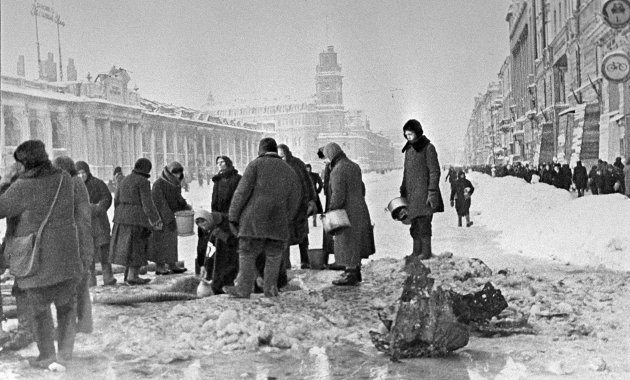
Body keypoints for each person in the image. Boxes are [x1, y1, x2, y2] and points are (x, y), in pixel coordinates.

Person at [0, 140, 86, 368]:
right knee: (67, 308)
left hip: (36, 260)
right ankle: (65, 356)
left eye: (17, 162)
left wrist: (7, 180)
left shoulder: (22, 187)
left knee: (40, 311)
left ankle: (47, 356)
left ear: (25, 163)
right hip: (66, 255)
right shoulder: (64, 179)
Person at [225, 138, 300, 298]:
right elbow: (295, 198)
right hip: (278, 222)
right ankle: (270, 288)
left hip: (252, 222)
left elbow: (241, 193)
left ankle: (243, 289)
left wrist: (233, 216)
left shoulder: (255, 165)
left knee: (247, 253)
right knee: (273, 256)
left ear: (261, 150)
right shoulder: (289, 170)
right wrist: (287, 217)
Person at [53, 157, 95, 335]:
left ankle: (70, 326)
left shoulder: (71, 185)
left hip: (76, 241)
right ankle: (84, 323)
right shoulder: (77, 183)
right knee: (80, 285)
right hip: (82, 239)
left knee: (71, 286)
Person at [323, 142, 374, 286]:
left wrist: (331, 210)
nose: (326, 160)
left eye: (327, 156)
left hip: (346, 211)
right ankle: (355, 271)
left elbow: (338, 195)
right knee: (355, 240)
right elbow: (362, 188)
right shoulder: (354, 166)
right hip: (359, 208)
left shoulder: (337, 170)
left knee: (347, 241)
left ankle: (350, 273)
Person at [110, 158, 163, 285]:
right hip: (136, 219)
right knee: (136, 247)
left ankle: (127, 275)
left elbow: (116, 199)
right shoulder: (143, 182)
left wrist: (118, 215)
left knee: (127, 248)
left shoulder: (124, 180)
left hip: (121, 218)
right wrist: (156, 220)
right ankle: (133, 277)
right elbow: (147, 204)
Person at [0, 162, 34, 351]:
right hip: (26, 243)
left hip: (25, 244)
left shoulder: (20, 190)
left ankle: (26, 331)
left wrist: (5, 183)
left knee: (23, 288)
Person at [399, 119, 444, 259]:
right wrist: (403, 188)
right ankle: (416, 251)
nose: (408, 137)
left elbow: (434, 171)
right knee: (414, 225)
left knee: (424, 224)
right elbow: (406, 172)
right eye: (406, 135)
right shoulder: (408, 150)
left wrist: (432, 192)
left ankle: (426, 251)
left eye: (410, 134)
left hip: (425, 195)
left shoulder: (428, 148)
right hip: (412, 196)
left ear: (417, 133)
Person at [74, 161, 116, 286]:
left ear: (87, 172)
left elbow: (107, 198)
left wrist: (98, 208)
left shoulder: (98, 183)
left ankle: (108, 277)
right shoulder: (74, 187)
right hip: (84, 225)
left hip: (99, 223)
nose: (81, 176)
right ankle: (90, 280)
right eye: (78, 173)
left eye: (83, 173)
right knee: (88, 253)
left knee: (104, 251)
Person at [278, 144, 318, 269]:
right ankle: (286, 263)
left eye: (282, 154)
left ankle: (305, 261)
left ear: (287, 153)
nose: (281, 157)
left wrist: (311, 200)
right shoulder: (277, 166)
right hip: (285, 206)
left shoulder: (297, 164)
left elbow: (308, 182)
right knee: (285, 235)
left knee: (302, 235)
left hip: (301, 205)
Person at [148, 161, 190, 275]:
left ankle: (172, 264)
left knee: (171, 242)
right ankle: (160, 267)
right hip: (160, 219)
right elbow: (160, 203)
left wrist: (184, 205)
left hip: (171, 217)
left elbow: (178, 198)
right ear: (168, 172)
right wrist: (168, 218)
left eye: (179, 173)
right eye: (175, 173)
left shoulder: (175, 184)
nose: (177, 175)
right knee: (160, 243)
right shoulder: (159, 184)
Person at [194, 209, 241, 295]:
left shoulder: (226, 223)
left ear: (208, 220)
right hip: (218, 257)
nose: (203, 227)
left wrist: (223, 236)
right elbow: (208, 247)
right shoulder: (207, 228)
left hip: (231, 255)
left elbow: (237, 241)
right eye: (200, 226)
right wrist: (204, 264)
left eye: (204, 224)